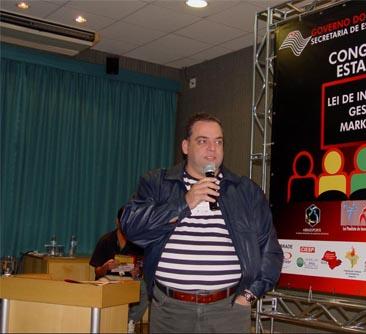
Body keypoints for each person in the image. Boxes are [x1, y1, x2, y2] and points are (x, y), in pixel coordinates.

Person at [120, 112, 283, 333]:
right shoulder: (158, 183)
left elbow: (270, 250)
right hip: (170, 311)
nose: (212, 149)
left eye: (218, 141)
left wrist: (249, 295)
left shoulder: (246, 191)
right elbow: (132, 226)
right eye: (203, 141)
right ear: (186, 146)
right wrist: (184, 203)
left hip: (228, 312)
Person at [89, 207, 149, 333]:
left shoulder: (137, 243)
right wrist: (105, 267)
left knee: (145, 290)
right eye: (123, 220)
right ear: (117, 221)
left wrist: (138, 272)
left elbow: (143, 268)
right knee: (101, 286)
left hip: (130, 278)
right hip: (108, 278)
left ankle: (129, 322)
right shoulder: (105, 240)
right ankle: (104, 322)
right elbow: (97, 272)